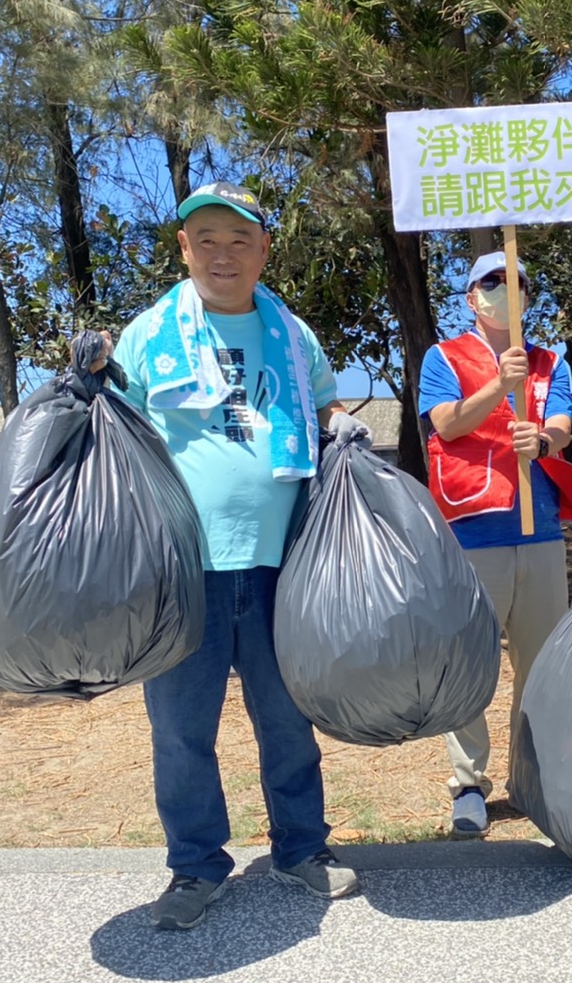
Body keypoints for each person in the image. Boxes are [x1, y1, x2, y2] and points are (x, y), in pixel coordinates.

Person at [99, 181, 373, 931]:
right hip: (183, 569)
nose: (223, 254)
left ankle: (301, 849)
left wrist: (344, 426)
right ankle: (195, 866)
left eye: (239, 240)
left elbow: (322, 407)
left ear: (263, 250)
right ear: (184, 247)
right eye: (207, 240)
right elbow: (115, 441)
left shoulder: (291, 331)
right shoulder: (147, 335)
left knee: (287, 717)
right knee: (182, 728)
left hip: (284, 562)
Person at [420, 251, 572, 836]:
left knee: (540, 665)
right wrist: (501, 384)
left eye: (515, 282)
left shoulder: (552, 363)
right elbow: (446, 424)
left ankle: (532, 779)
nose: (504, 291)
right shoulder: (443, 357)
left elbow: (564, 425)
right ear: (471, 298)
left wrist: (542, 442)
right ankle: (468, 784)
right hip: (472, 532)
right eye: (491, 283)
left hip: (539, 530)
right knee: (471, 663)